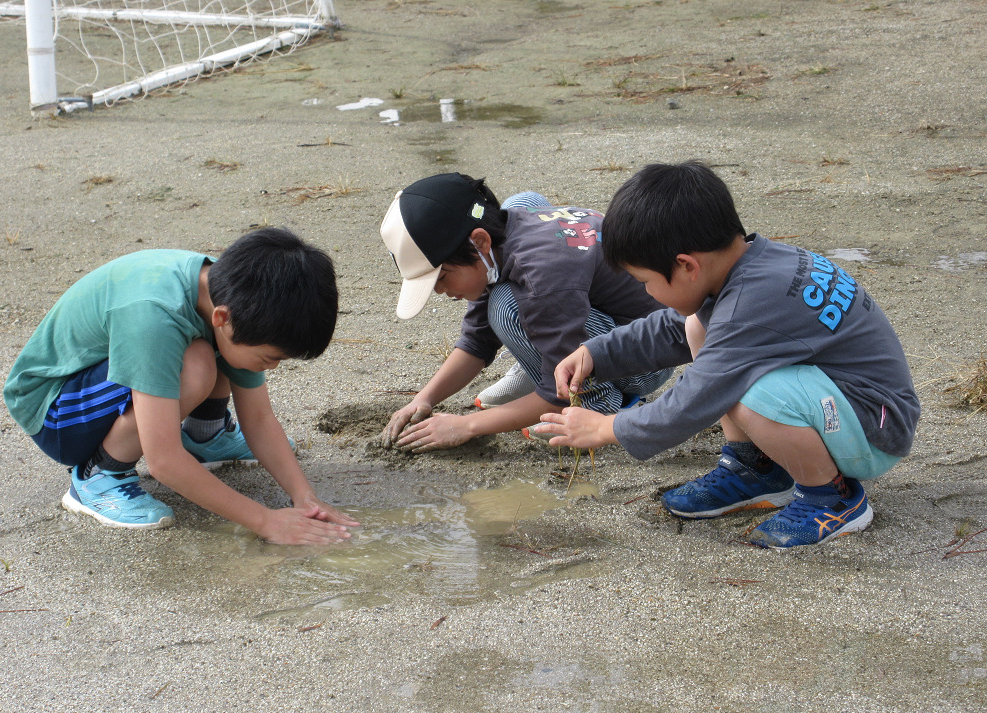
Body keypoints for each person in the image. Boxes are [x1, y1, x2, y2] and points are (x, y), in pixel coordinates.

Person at [538, 161, 920, 549]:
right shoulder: (753, 264)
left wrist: (607, 428)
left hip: (876, 429)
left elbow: (695, 399)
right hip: (843, 400)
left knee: (750, 393)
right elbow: (672, 328)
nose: (648, 293)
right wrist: (596, 353)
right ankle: (757, 469)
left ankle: (833, 498)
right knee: (696, 327)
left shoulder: (750, 306)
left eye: (646, 282)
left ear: (687, 265)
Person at [3, 227, 358, 545]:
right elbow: (163, 461)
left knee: (215, 353)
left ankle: (207, 434)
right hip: (53, 411)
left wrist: (304, 497)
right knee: (197, 364)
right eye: (269, 358)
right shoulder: (155, 314)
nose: (273, 367)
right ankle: (98, 474)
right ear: (224, 318)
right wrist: (266, 521)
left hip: (100, 382)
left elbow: (260, 419)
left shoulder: (236, 293)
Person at [378, 172, 672, 452]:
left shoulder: (540, 276)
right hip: (593, 317)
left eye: (441, 278)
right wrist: (424, 399)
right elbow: (477, 342)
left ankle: (595, 401)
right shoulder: (499, 245)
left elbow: (557, 394)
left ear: (479, 241)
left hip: (646, 357)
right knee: (523, 202)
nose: (439, 292)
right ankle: (535, 360)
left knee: (507, 306)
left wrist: (466, 426)